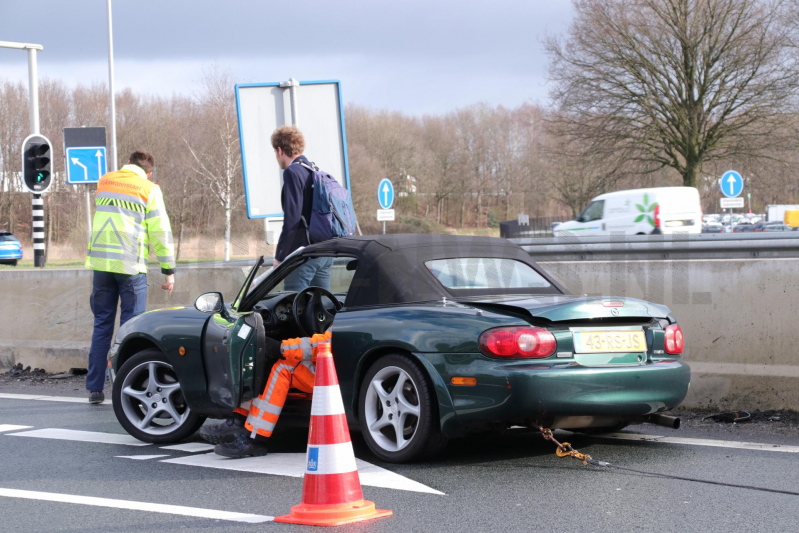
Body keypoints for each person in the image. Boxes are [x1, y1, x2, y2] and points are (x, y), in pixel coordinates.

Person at [84, 151, 176, 404]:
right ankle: (126, 386)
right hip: (130, 266)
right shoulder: (149, 189)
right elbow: (160, 231)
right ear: (148, 172)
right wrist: (168, 270)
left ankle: (94, 389)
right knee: (131, 330)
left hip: (102, 265)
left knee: (102, 325)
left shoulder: (105, 181)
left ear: (127, 164)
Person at [199, 331, 332, 458]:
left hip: (331, 373)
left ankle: (254, 440)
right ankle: (239, 421)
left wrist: (281, 347)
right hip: (332, 367)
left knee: (282, 367)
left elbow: (325, 343)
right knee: (267, 359)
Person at [270, 125, 333, 291]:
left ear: (280, 150)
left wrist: (280, 256)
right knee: (322, 303)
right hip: (325, 253)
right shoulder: (314, 170)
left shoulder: (292, 172)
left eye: (275, 152)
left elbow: (292, 219)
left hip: (304, 254)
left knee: (294, 302)